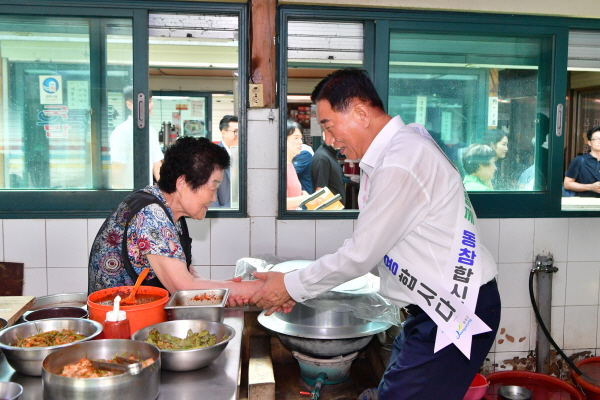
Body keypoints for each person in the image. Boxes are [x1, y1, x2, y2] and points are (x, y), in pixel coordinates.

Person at [249, 69, 500, 400]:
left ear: (361, 112)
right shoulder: (394, 153)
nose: (328, 139)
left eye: (328, 125)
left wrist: (289, 286)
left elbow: (359, 254)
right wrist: (291, 284)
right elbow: (367, 248)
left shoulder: (401, 160)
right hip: (432, 308)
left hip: (456, 309)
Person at [88, 136, 265, 306]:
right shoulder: (151, 216)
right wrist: (258, 288)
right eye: (213, 188)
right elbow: (183, 289)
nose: (214, 198)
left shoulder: (167, 208)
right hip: (121, 322)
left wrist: (226, 289)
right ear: (183, 183)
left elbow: (188, 275)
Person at [110, 85, 163, 189]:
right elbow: (117, 169)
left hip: (146, 194)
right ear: (129, 105)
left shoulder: (151, 131)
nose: (149, 106)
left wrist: (167, 192)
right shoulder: (122, 132)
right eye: (143, 103)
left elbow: (157, 165)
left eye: (150, 101)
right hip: (127, 195)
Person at [310, 131, 346, 206]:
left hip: (335, 209)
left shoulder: (330, 155)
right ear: (324, 135)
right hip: (329, 211)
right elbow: (320, 191)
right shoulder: (322, 158)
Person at [563, 125, 600, 197]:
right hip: (583, 204)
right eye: (596, 139)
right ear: (589, 142)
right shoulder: (580, 160)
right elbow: (567, 184)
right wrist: (591, 187)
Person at [211, 115, 238, 207]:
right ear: (224, 132)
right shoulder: (213, 155)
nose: (239, 135)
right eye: (236, 131)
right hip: (224, 211)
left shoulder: (245, 154)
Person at [286, 119, 311, 210]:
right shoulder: (280, 168)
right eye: (296, 138)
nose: (300, 142)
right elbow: (278, 203)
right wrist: (304, 198)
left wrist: (302, 193)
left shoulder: (290, 164)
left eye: (301, 138)